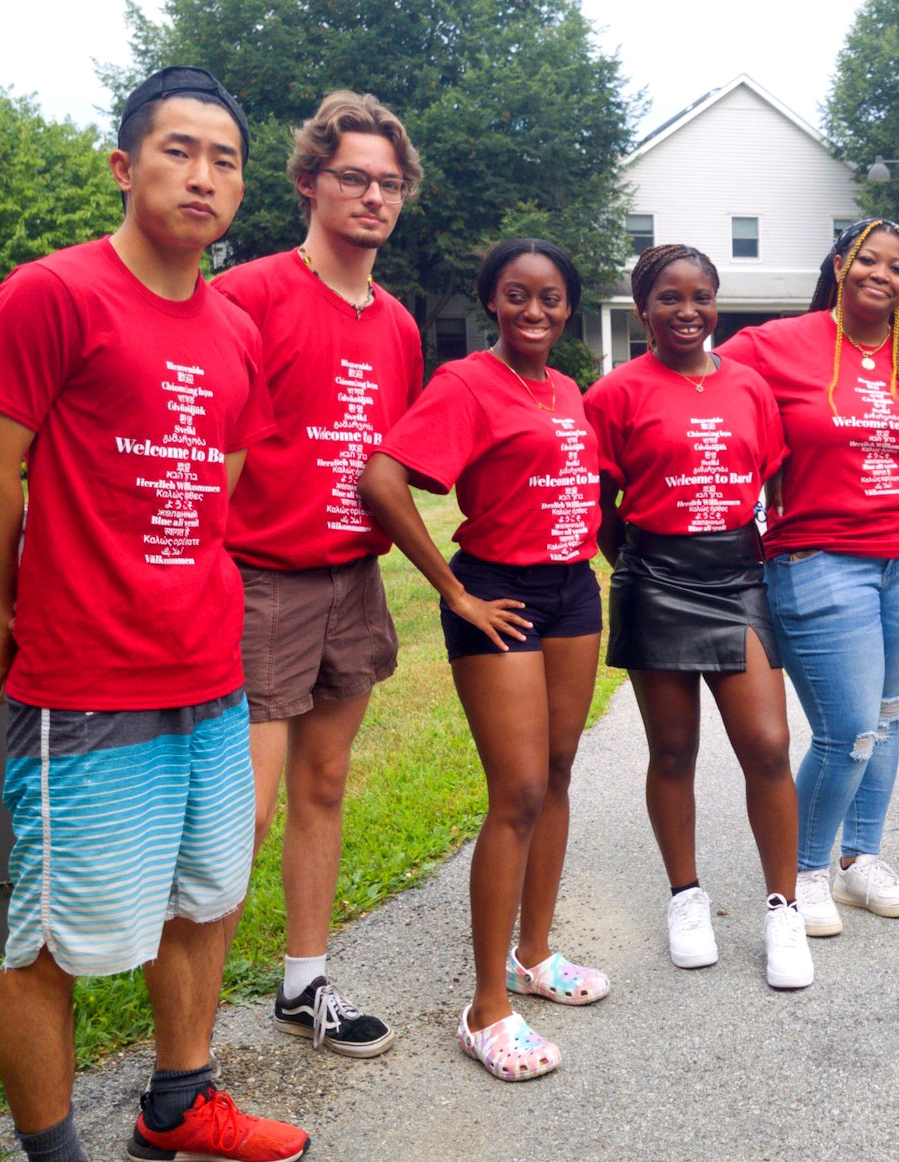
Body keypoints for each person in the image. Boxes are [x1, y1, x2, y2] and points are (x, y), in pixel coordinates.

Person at [0, 67, 309, 1162]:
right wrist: (9, 614)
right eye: (176, 151)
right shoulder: (50, 296)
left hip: (210, 670)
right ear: (124, 166)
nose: (202, 175)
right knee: (54, 939)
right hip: (88, 680)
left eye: (224, 157)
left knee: (204, 898)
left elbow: (216, 486)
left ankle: (179, 1101)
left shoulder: (235, 329)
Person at [358, 238, 610, 1080]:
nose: (533, 310)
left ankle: (534, 957)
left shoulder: (565, 387)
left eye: (550, 297)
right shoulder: (466, 382)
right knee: (520, 791)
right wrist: (456, 593)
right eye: (516, 295)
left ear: (568, 307)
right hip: (499, 592)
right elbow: (383, 480)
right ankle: (484, 1009)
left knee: (562, 770)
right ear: (492, 302)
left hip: (574, 591)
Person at [213, 91, 425, 1057]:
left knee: (326, 783)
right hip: (262, 579)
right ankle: (190, 1045)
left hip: (354, 578)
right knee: (243, 814)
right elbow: (204, 441)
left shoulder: (400, 324)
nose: (372, 196)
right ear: (309, 182)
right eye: (354, 177)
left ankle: (306, 984)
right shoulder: (249, 295)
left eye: (388, 183)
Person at [716, 219, 899, 930]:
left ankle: (861, 860)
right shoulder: (772, 345)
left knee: (885, 718)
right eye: (867, 259)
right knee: (848, 727)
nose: (881, 275)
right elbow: (704, 391)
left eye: (897, 266)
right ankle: (805, 868)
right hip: (818, 558)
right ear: (838, 263)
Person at [585, 244, 811, 989]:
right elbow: (600, 506)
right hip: (655, 577)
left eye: (702, 297)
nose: (688, 312)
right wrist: (640, 565)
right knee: (674, 750)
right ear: (644, 307)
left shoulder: (750, 386)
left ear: (717, 303)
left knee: (768, 744)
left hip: (738, 574)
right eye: (670, 298)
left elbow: (770, 480)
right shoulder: (615, 392)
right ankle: (686, 895)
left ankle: (783, 908)